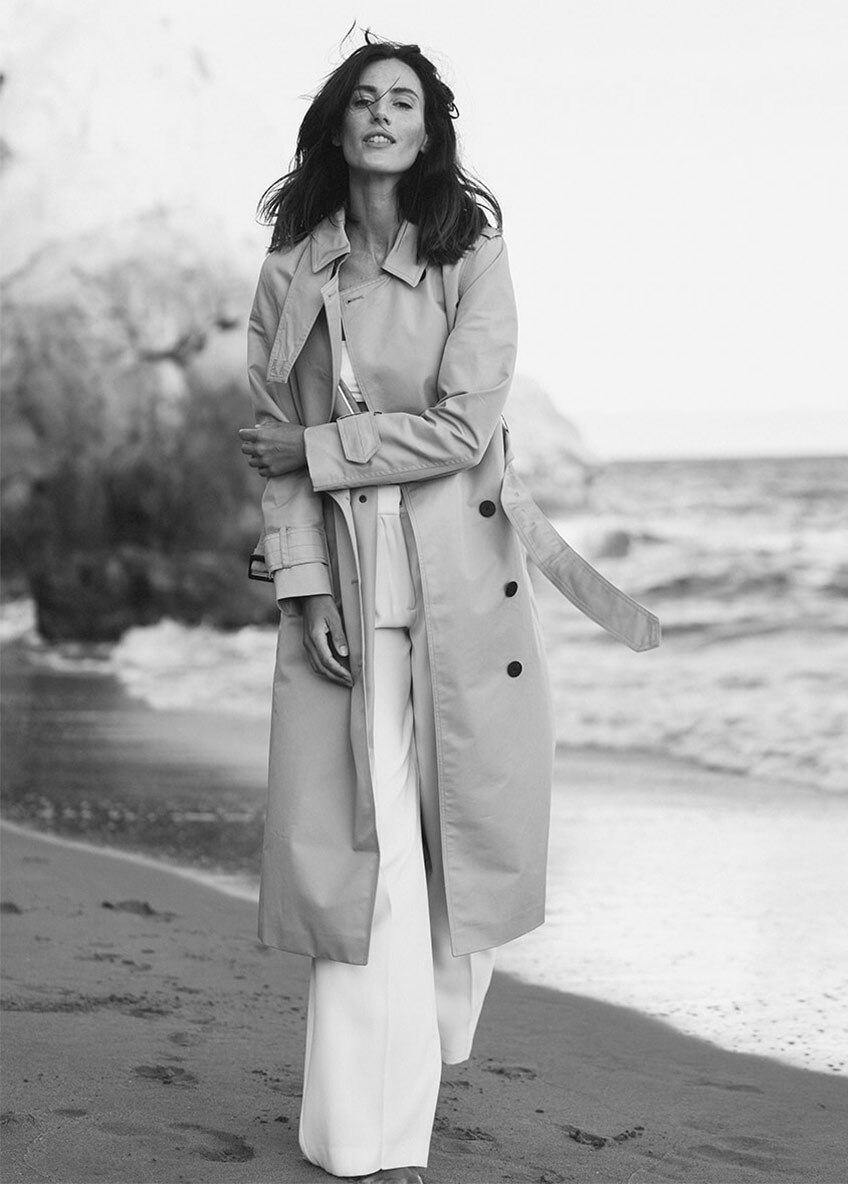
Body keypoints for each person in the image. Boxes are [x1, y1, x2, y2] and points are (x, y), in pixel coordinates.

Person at [238, 35, 659, 1184]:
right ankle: (363, 1138)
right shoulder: (291, 267)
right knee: (360, 866)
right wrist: (303, 586)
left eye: (403, 101)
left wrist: (321, 446)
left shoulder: (469, 253)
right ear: (337, 124)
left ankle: (424, 1033)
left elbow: (464, 426)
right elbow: (269, 452)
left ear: (428, 131)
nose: (382, 114)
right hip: (344, 592)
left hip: (462, 589)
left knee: (456, 859)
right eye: (364, 99)